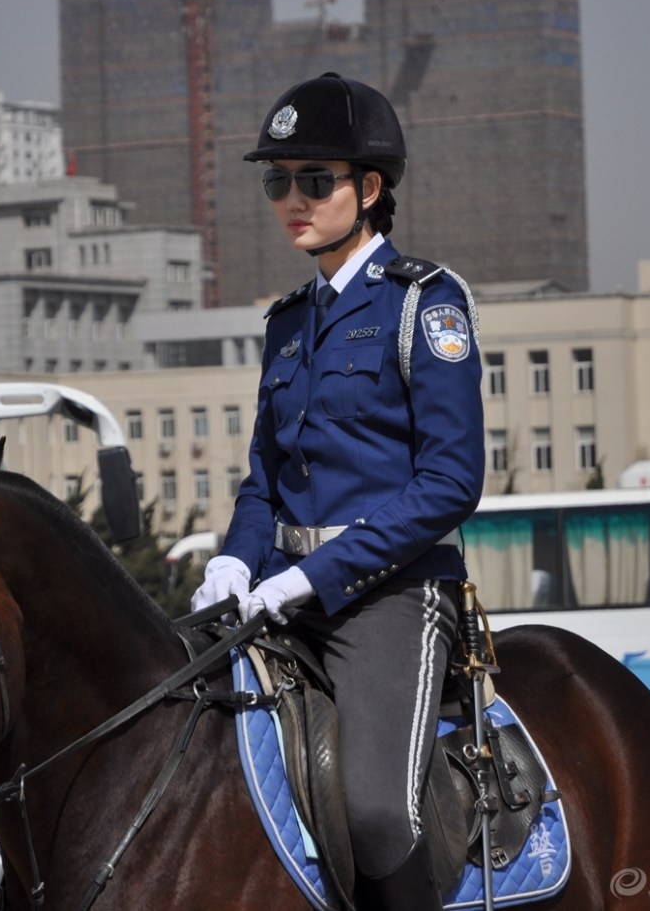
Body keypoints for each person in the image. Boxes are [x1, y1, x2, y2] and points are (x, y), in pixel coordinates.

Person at [192, 72, 485, 910]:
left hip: (391, 596)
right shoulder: (288, 322)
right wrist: (234, 564)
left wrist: (311, 576)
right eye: (277, 180)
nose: (293, 198)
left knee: (373, 809)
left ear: (370, 188)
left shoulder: (424, 305)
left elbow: (450, 481)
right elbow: (266, 484)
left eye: (314, 181)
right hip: (279, 595)